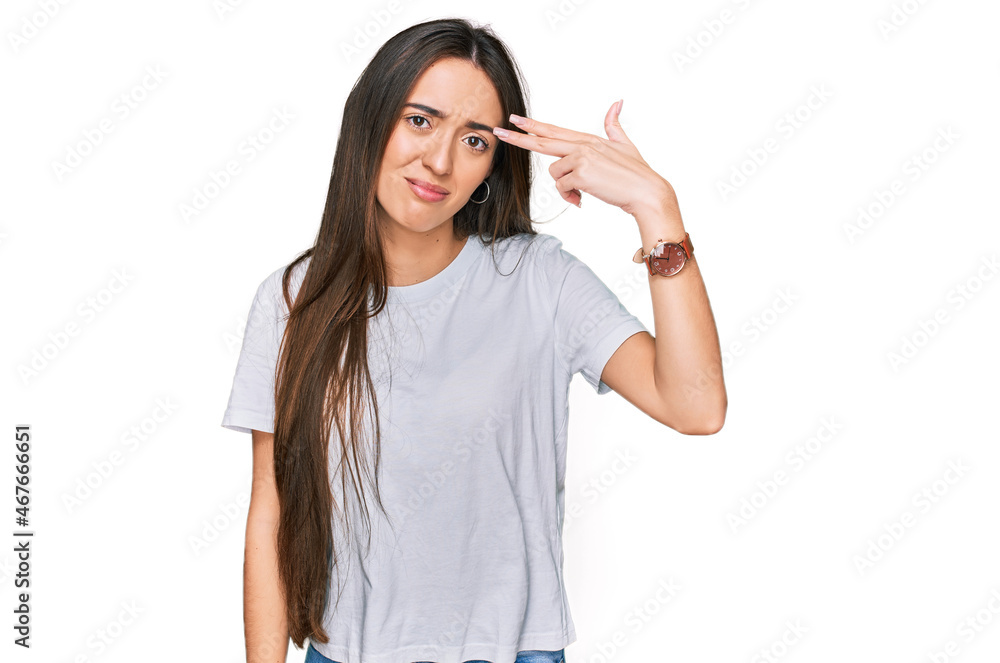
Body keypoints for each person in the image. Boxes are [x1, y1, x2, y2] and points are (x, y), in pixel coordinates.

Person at [221, 17, 726, 663]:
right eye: (421, 120)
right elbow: (273, 514)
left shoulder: (538, 279)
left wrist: (657, 207)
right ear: (371, 121)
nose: (439, 161)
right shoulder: (294, 299)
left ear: (494, 163)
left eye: (475, 140)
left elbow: (696, 405)